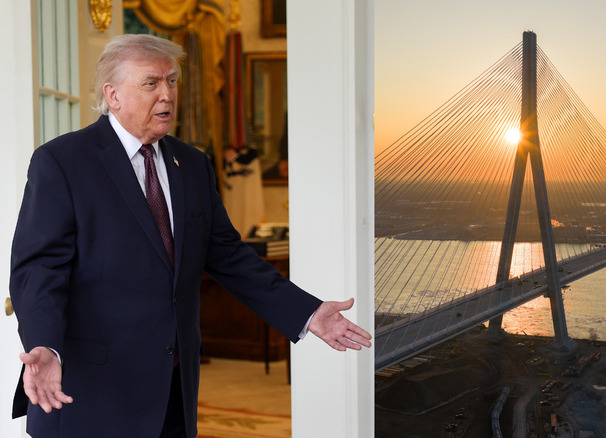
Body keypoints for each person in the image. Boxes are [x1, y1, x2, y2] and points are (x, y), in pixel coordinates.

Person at [10, 34, 371, 438]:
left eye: (172, 82)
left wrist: (306, 312)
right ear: (113, 95)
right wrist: (44, 344)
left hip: (173, 392)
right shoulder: (62, 162)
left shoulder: (193, 164)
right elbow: (39, 269)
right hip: (91, 395)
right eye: (151, 83)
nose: (166, 95)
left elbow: (230, 257)